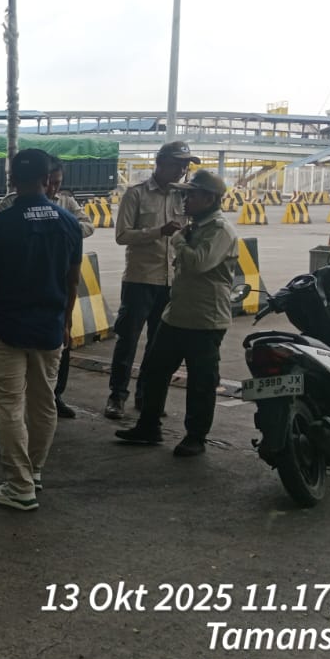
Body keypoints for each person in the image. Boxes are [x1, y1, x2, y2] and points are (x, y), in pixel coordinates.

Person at [0, 148, 83, 511]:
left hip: (6, 329)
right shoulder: (69, 223)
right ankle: (35, 471)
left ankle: (19, 486)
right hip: (49, 329)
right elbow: (72, 281)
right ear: (47, 180)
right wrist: (65, 322)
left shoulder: (1, 224)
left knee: (10, 408)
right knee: (44, 404)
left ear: (13, 180)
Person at [115, 170, 238, 458]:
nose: (185, 200)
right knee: (155, 372)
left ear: (209, 199)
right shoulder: (194, 227)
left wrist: (178, 240)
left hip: (206, 318)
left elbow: (198, 263)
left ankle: (195, 437)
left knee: (201, 382)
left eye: (191, 195)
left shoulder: (220, 230)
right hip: (177, 314)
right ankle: (148, 426)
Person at [104, 140, 199, 420]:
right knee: (128, 341)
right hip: (140, 279)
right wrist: (158, 231)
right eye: (178, 164)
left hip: (171, 282)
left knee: (158, 346)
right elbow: (122, 236)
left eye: (185, 165)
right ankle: (117, 396)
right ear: (161, 163)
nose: (182, 170)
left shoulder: (185, 196)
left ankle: (145, 396)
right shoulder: (136, 194)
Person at [0, 156, 95, 418]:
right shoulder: (11, 202)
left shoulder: (67, 204)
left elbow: (88, 225)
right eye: (49, 182)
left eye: (57, 183)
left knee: (61, 340)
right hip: (22, 282)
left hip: (57, 280)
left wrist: (61, 230)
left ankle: (55, 394)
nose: (52, 188)